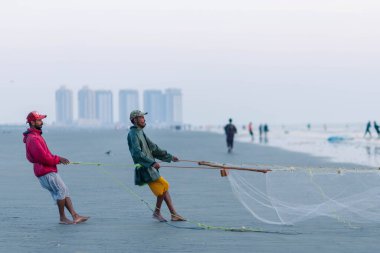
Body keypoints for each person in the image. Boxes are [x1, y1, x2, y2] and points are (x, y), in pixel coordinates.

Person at [23, 111, 89, 224]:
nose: (42, 122)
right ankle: (62, 218)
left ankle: (75, 215)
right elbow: (43, 157)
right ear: (32, 122)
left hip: (45, 170)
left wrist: (57, 159)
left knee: (64, 191)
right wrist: (59, 159)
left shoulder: (35, 136)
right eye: (39, 120)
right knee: (61, 190)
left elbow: (43, 156)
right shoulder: (33, 138)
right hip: (45, 171)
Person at [127, 110, 185, 222]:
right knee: (163, 187)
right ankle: (158, 213)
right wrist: (152, 163)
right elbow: (136, 154)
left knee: (164, 187)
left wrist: (170, 157)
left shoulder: (140, 132)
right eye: (141, 117)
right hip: (144, 169)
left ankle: (173, 214)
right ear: (135, 120)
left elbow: (153, 147)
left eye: (143, 117)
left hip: (150, 167)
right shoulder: (133, 134)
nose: (144, 119)